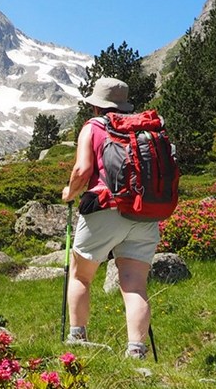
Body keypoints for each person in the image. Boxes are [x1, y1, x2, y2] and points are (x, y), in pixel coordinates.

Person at [61, 77, 160, 360]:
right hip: (144, 212)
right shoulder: (144, 129)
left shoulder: (93, 127)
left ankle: (77, 337)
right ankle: (136, 351)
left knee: (81, 275)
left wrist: (70, 193)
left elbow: (82, 170)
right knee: (135, 285)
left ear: (96, 107)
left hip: (106, 208)